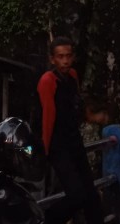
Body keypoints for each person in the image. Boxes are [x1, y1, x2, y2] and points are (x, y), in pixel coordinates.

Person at [37, 36, 103, 224]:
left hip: (74, 141)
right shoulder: (48, 81)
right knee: (77, 195)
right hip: (58, 146)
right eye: (60, 57)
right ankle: (45, 220)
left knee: (91, 196)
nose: (65, 61)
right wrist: (45, 151)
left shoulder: (72, 76)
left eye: (68, 56)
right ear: (52, 59)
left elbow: (76, 105)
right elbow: (48, 117)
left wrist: (91, 117)